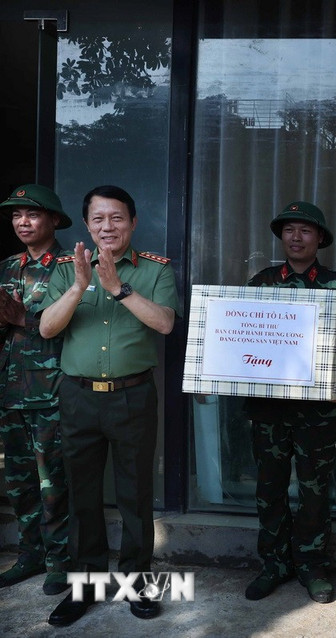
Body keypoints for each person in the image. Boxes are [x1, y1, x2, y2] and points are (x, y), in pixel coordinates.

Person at [37, 185, 180, 626]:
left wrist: (118, 289)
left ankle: (139, 585)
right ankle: (85, 588)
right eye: (98, 219)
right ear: (87, 225)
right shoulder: (65, 270)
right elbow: (46, 328)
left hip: (132, 396)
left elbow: (165, 323)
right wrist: (81, 286)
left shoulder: (156, 270)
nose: (107, 227)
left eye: (116, 218)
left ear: (133, 223)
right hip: (78, 397)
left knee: (135, 495)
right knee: (82, 496)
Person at [242, 201, 336, 604]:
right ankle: (274, 565)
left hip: (318, 408)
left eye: (305, 230)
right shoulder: (260, 282)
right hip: (268, 407)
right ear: (281, 237)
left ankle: (312, 565)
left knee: (315, 488)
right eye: (289, 230)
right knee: (270, 486)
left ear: (320, 238)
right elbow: (238, 336)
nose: (296, 237)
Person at [0, 185, 72, 596]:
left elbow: (70, 327)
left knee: (54, 482)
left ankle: (61, 561)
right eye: (16, 216)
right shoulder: (7, 267)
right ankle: (31, 553)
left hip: (52, 391)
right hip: (10, 390)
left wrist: (22, 317)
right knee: (20, 480)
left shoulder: (70, 266)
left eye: (32, 215)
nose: (22, 222)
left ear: (55, 220)